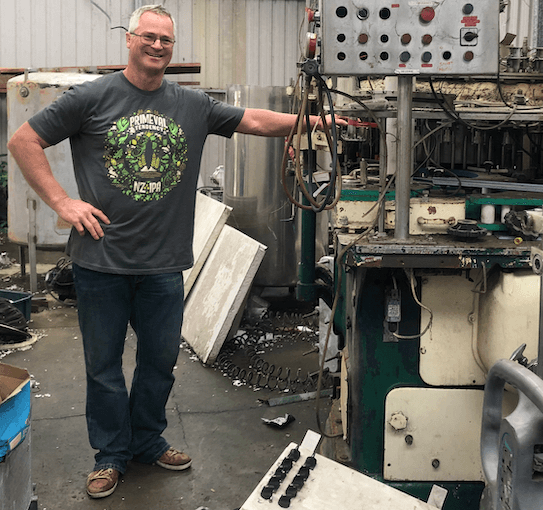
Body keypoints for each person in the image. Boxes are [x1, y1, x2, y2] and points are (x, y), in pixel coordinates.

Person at [7, 4, 343, 500]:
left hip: (163, 264)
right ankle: (111, 455)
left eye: (166, 40)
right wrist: (62, 201)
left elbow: (253, 119)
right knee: (103, 368)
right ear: (130, 39)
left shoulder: (191, 104)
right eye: (150, 37)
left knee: (159, 362)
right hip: (100, 263)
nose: (158, 46)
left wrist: (315, 120)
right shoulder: (92, 97)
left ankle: (147, 441)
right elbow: (24, 138)